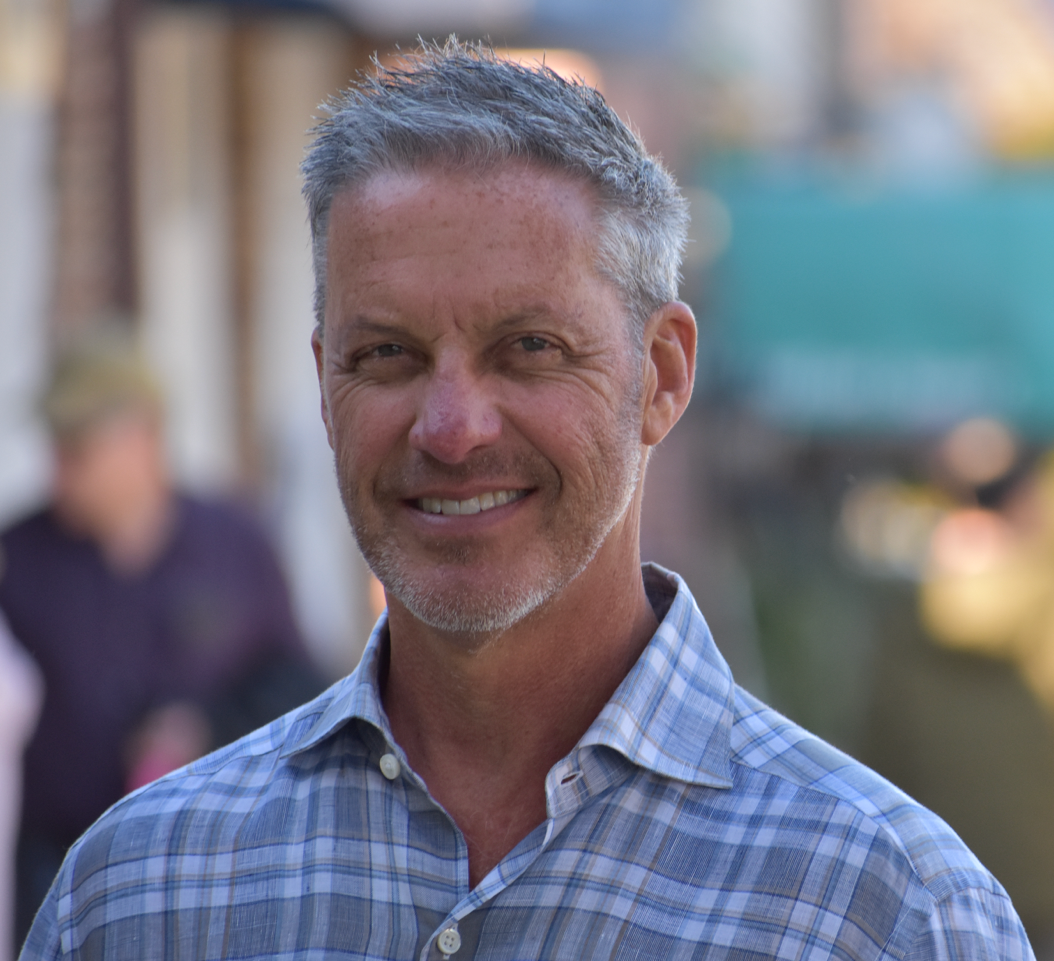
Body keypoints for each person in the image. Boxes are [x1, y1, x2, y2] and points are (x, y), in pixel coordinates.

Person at [20, 41, 1033, 960]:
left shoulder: (885, 912)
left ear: (663, 374)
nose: (452, 428)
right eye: (389, 356)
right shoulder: (138, 897)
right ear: (326, 383)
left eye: (529, 349)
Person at [2, 336, 321, 947]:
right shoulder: (19, 558)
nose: (58, 470)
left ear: (142, 440)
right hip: (54, 872)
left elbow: (296, 683)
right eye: (55, 448)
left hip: (210, 867)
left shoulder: (234, 543)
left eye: (78, 450)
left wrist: (203, 726)